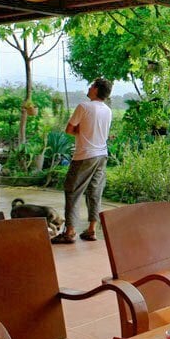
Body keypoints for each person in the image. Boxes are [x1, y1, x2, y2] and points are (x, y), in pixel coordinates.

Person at [52, 78, 113, 244]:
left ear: (96, 90)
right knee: (95, 192)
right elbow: (102, 133)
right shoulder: (107, 110)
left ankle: (70, 231)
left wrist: (82, 131)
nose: (89, 87)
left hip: (85, 155)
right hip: (102, 155)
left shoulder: (83, 106)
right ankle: (91, 230)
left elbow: (69, 129)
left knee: (72, 190)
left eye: (92, 86)